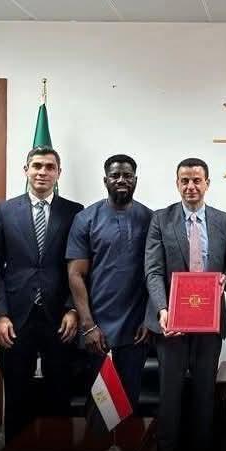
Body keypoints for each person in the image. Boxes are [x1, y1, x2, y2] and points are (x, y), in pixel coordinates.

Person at [144, 158, 226, 451]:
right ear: (177, 183)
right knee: (169, 396)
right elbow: (153, 271)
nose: (191, 186)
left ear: (207, 183)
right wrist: (162, 309)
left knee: (204, 394)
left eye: (197, 180)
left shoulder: (224, 220)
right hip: (171, 322)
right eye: (184, 180)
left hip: (209, 323)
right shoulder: (160, 219)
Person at [0, 146, 82, 443]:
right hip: (16, 316)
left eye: (50, 167)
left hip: (60, 317)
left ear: (59, 173)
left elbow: (80, 266)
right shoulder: (4, 211)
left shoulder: (74, 212)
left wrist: (73, 308)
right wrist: (0, 314)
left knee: (60, 393)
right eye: (37, 166)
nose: (43, 172)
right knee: (17, 394)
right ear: (26, 170)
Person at [67, 155, 152, 413]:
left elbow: (156, 273)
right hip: (99, 329)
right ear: (105, 180)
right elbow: (75, 274)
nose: (121, 180)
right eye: (115, 176)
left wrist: (149, 320)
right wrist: (88, 325)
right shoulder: (86, 218)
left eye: (127, 175)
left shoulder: (150, 218)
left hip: (136, 329)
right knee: (100, 407)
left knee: (129, 403)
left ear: (136, 180)